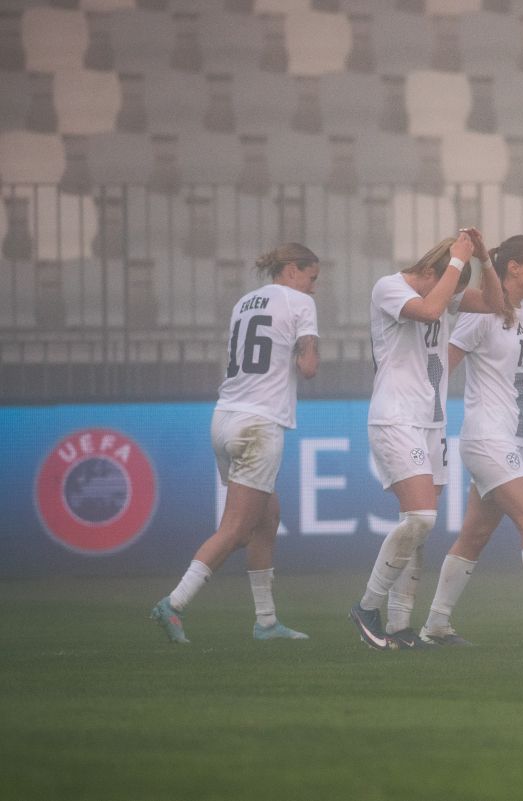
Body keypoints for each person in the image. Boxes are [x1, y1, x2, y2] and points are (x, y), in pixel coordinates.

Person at [150, 243, 321, 644]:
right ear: (292, 270)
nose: (313, 288)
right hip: (259, 426)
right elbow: (309, 368)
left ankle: (266, 621)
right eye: (311, 278)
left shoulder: (244, 302)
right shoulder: (300, 303)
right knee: (236, 530)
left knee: (267, 517)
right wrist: (305, 351)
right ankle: (174, 603)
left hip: (224, 418)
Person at [418, 235, 523, 645]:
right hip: (486, 437)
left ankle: (435, 625)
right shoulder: (480, 315)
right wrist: (423, 418)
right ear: (513, 269)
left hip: (510, 439)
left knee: (474, 535)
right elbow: (442, 367)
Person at [348, 228, 502, 650]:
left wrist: (484, 260)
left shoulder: (442, 288)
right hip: (396, 416)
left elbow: (495, 304)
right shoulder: (389, 288)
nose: (452, 292)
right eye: (449, 276)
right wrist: (457, 259)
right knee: (421, 518)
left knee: (416, 527)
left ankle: (400, 625)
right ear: (433, 270)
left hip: (431, 422)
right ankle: (367, 607)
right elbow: (432, 311)